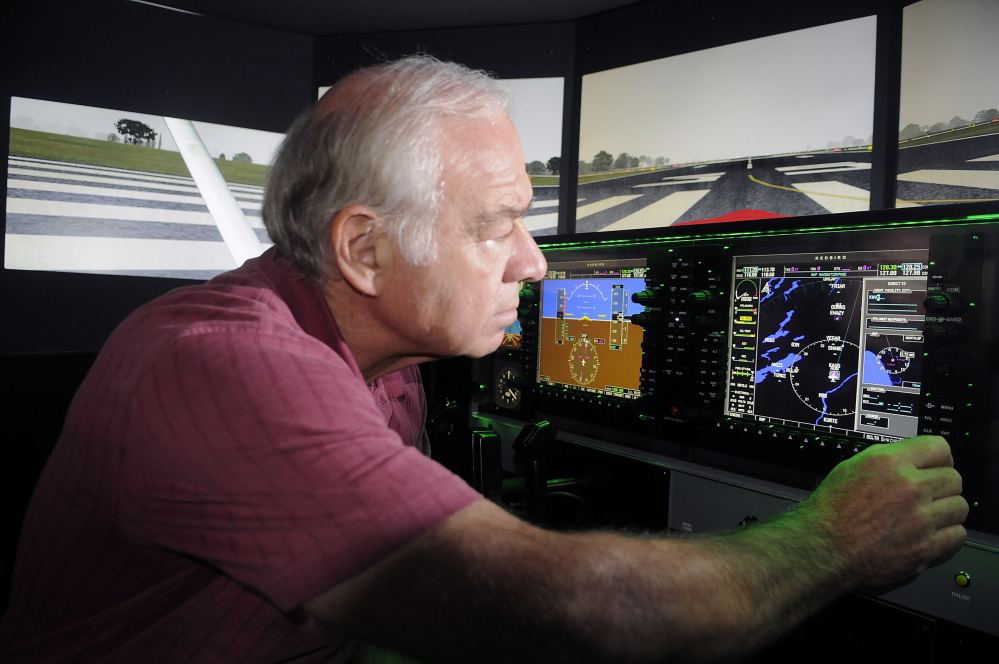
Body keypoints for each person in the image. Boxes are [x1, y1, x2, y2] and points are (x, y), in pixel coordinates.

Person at [0, 55, 968, 663]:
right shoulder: (225, 364)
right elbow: (578, 612)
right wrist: (832, 538)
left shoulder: (386, 362)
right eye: (495, 226)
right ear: (365, 249)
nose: (535, 263)